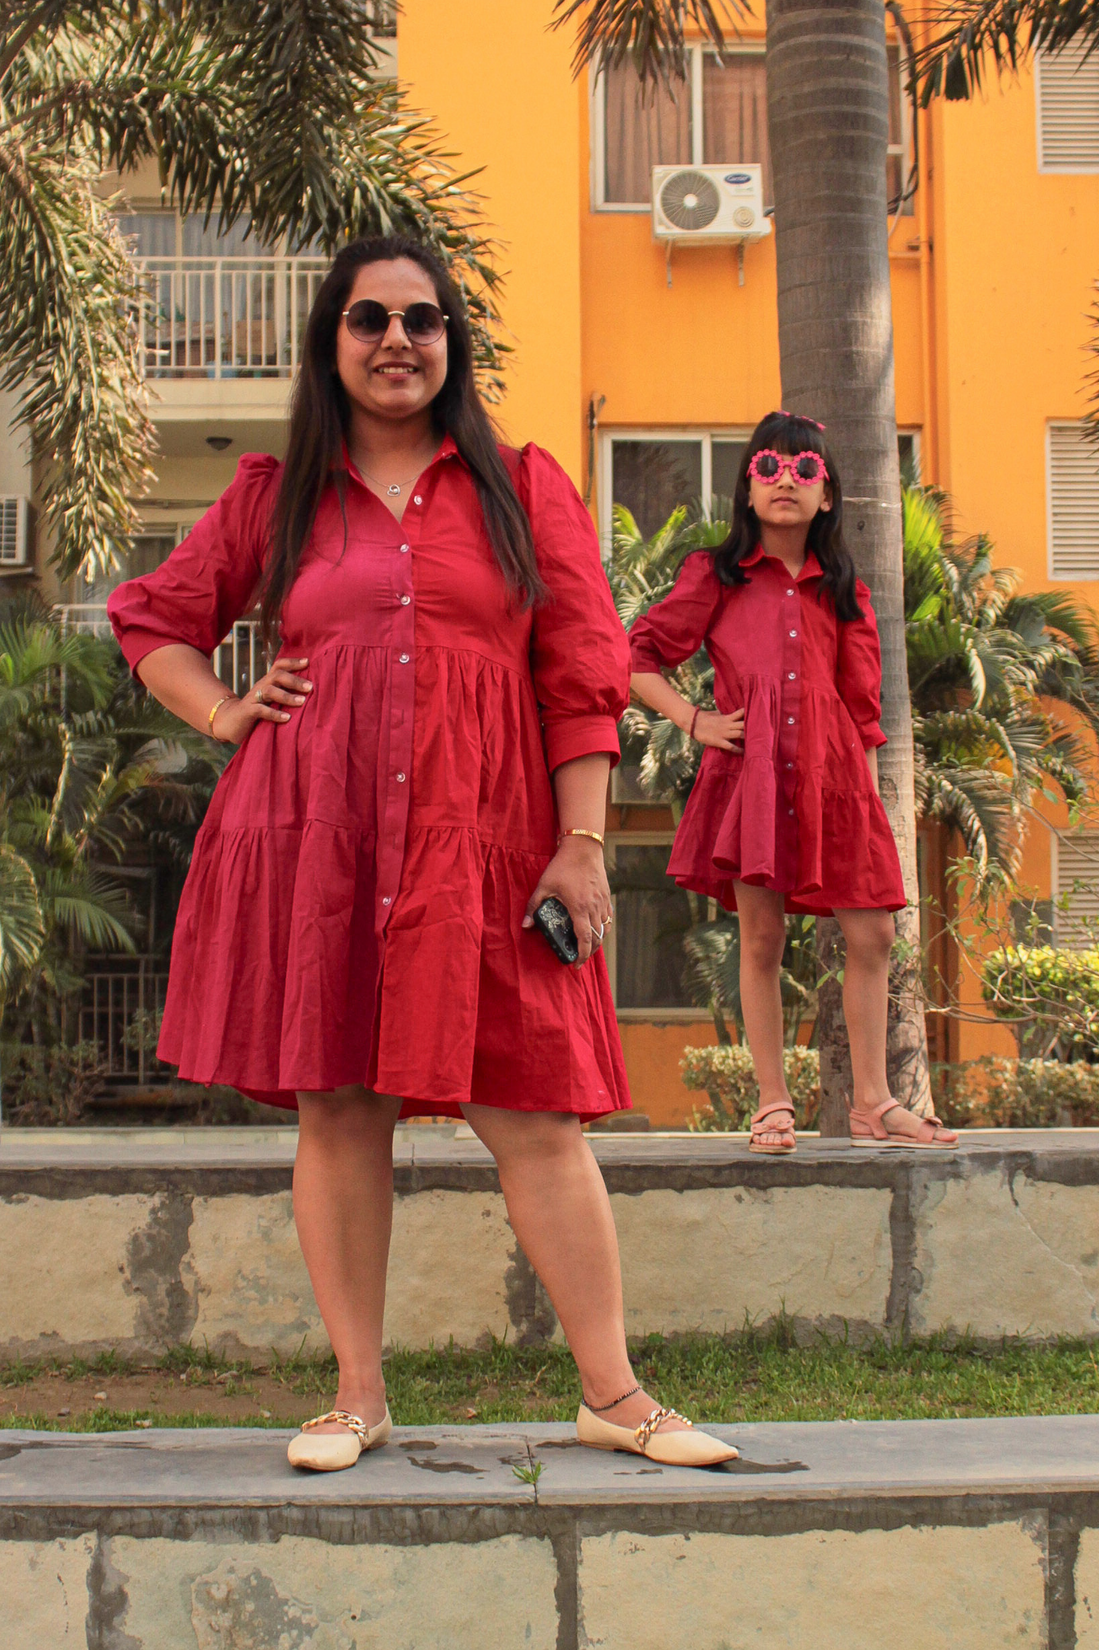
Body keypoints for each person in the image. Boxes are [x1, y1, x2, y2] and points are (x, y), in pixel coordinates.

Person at [108, 235, 737, 1471]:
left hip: (489, 843)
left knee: (539, 1114)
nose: (397, 339)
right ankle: (357, 1395)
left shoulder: (523, 490)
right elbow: (153, 620)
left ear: (451, 341)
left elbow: (581, 673)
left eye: (422, 318)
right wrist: (223, 713)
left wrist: (580, 843)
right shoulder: (276, 496)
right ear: (331, 343)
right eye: (369, 319)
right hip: (321, 841)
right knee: (342, 1107)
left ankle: (613, 1395)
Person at [628, 410, 957, 1155]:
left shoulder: (845, 591)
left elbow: (863, 712)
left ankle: (874, 1103)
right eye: (769, 467)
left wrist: (865, 806)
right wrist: (693, 720)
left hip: (835, 779)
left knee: (872, 932)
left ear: (827, 494)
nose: (787, 480)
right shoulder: (715, 575)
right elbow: (636, 656)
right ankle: (772, 1101)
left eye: (806, 469)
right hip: (752, 777)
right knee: (762, 936)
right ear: (747, 488)